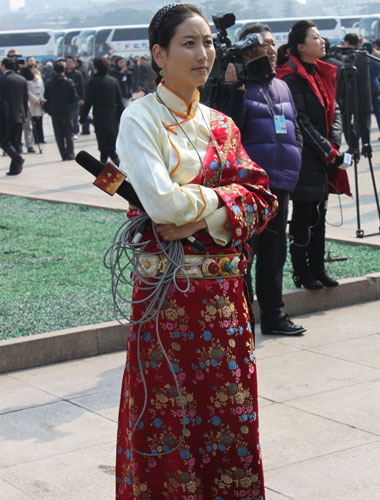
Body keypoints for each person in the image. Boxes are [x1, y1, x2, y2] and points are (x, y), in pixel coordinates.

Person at [113, 4, 278, 499]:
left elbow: (262, 198)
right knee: (167, 420)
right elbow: (161, 204)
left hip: (226, 303)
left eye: (207, 41)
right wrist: (224, 201)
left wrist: (197, 209)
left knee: (229, 419)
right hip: (168, 304)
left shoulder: (222, 124)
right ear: (159, 55)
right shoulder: (140, 118)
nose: (203, 52)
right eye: (188, 43)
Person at [222, 23, 306, 336]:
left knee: (274, 252)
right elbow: (229, 131)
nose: (272, 49)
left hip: (279, 183)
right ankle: (241, 319)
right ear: (247, 49)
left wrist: (293, 160)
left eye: (274, 43)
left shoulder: (281, 85)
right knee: (245, 253)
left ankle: (274, 316)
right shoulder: (235, 83)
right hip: (247, 185)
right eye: (264, 43)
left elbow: (293, 127)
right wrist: (235, 91)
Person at [276, 20, 350, 289]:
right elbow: (300, 120)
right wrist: (327, 150)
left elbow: (336, 110)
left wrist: (334, 145)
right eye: (316, 38)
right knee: (304, 216)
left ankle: (318, 268)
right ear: (300, 46)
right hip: (306, 157)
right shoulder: (290, 78)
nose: (323, 42)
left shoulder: (320, 73)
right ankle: (301, 271)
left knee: (321, 212)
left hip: (324, 156)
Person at [80, 56, 124, 165]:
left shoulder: (93, 82)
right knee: (107, 148)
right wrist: (121, 118)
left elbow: (88, 102)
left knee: (107, 148)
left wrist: (82, 118)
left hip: (99, 119)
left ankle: (123, 172)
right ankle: (105, 175)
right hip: (112, 119)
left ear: (96, 68)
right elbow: (119, 102)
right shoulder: (113, 81)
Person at [44, 62, 77, 161]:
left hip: (54, 112)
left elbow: (46, 96)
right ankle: (70, 154)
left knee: (58, 134)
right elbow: (74, 97)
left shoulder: (50, 82)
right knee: (68, 133)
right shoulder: (69, 82)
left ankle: (63, 154)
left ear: (54, 71)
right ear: (64, 70)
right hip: (66, 111)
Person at [0, 57, 28, 175]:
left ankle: (17, 159)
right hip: (20, 115)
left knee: (4, 142)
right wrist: (25, 115)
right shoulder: (22, 79)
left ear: (4, 66)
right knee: (15, 142)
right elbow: (25, 99)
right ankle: (15, 169)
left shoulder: (2, 79)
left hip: (6, 116)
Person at [65, 56, 85, 139]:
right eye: (67, 62)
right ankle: (68, 132)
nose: (68, 64)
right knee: (67, 117)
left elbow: (81, 86)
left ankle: (75, 132)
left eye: (70, 62)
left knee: (75, 116)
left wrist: (82, 98)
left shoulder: (77, 73)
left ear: (74, 63)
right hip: (65, 99)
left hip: (75, 98)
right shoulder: (64, 73)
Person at [27, 63, 46, 146]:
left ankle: (41, 138)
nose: (34, 70)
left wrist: (42, 98)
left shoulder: (39, 79)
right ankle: (36, 138)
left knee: (40, 122)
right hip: (32, 103)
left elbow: (42, 89)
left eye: (35, 68)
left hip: (40, 103)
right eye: (32, 68)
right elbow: (28, 92)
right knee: (33, 122)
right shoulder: (27, 80)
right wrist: (35, 99)